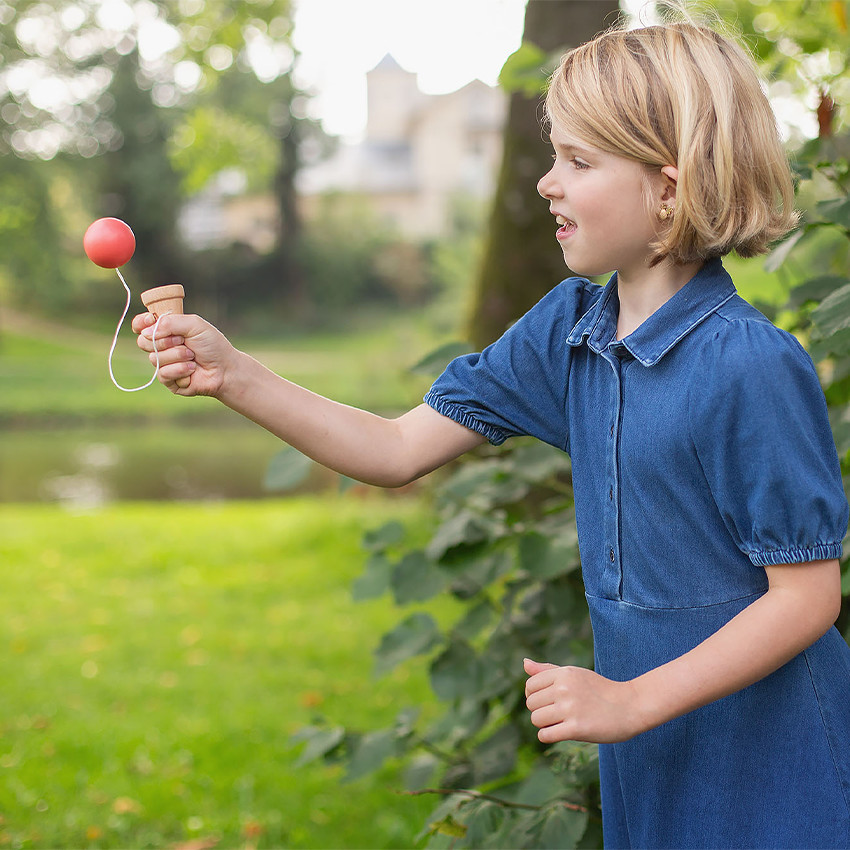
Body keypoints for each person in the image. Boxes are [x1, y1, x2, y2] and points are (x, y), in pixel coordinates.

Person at [134, 13, 850, 849]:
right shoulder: (570, 330)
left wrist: (629, 700)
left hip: (774, 765)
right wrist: (234, 374)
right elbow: (396, 451)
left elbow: (807, 599)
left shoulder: (750, 367)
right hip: (650, 750)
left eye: (579, 162)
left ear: (669, 185)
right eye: (555, 156)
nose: (546, 182)